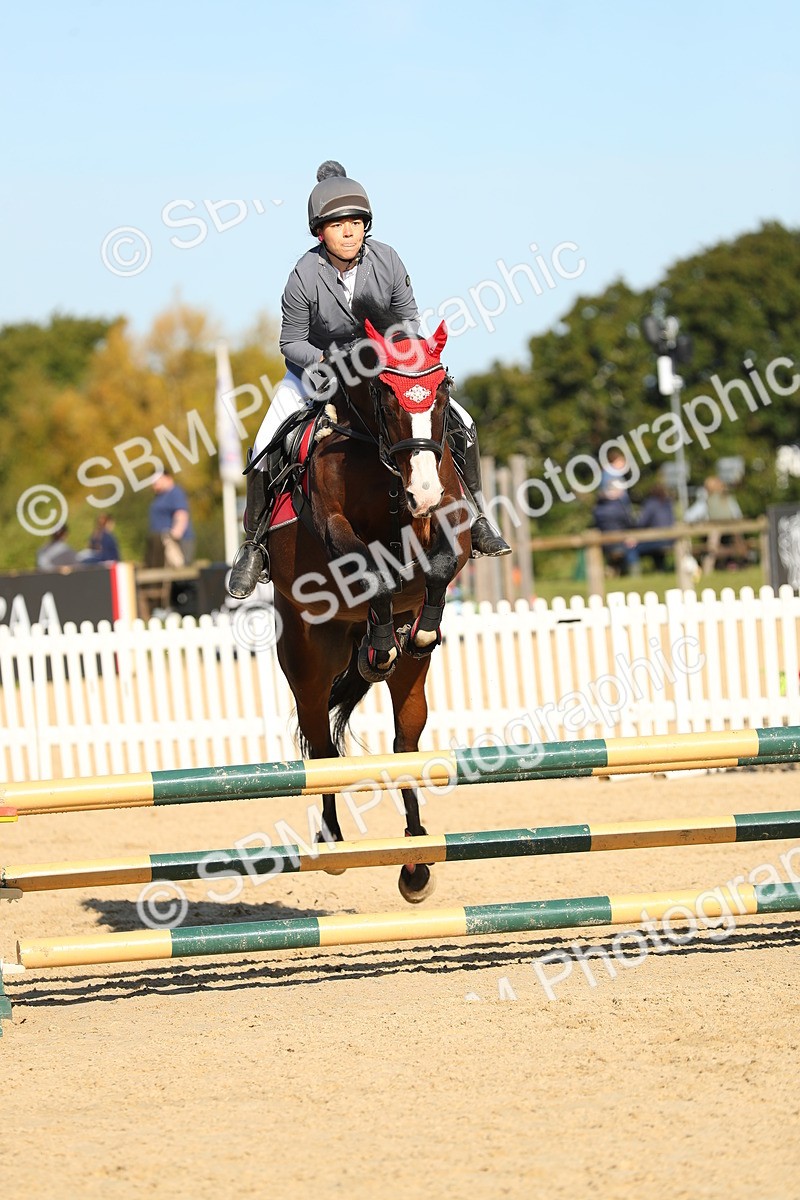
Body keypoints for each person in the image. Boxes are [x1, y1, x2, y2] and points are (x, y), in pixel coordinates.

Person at [228, 160, 511, 599]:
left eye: (356, 222)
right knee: (266, 440)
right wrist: (330, 359)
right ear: (320, 231)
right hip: (317, 374)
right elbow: (290, 342)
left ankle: (476, 516)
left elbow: (408, 321)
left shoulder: (388, 260)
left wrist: (391, 358)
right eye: (338, 224)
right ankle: (255, 545)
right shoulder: (303, 274)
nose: (349, 231)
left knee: (462, 420)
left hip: (384, 369)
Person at [147, 471, 195, 567]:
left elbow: (181, 514)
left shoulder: (175, 493)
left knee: (180, 573)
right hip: (161, 544)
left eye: (157, 480)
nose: (154, 484)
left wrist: (175, 535)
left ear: (168, 478)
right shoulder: (159, 496)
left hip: (176, 543)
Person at [592, 484, 639, 575]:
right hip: (619, 541)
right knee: (632, 544)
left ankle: (613, 570)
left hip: (604, 542)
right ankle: (635, 573)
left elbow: (596, 524)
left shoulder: (597, 508)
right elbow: (630, 523)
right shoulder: (620, 507)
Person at [636, 484, 674, 571]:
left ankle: (634, 572)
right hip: (670, 539)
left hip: (658, 540)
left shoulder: (651, 504)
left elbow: (642, 523)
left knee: (632, 548)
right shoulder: (668, 503)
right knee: (656, 546)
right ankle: (661, 569)